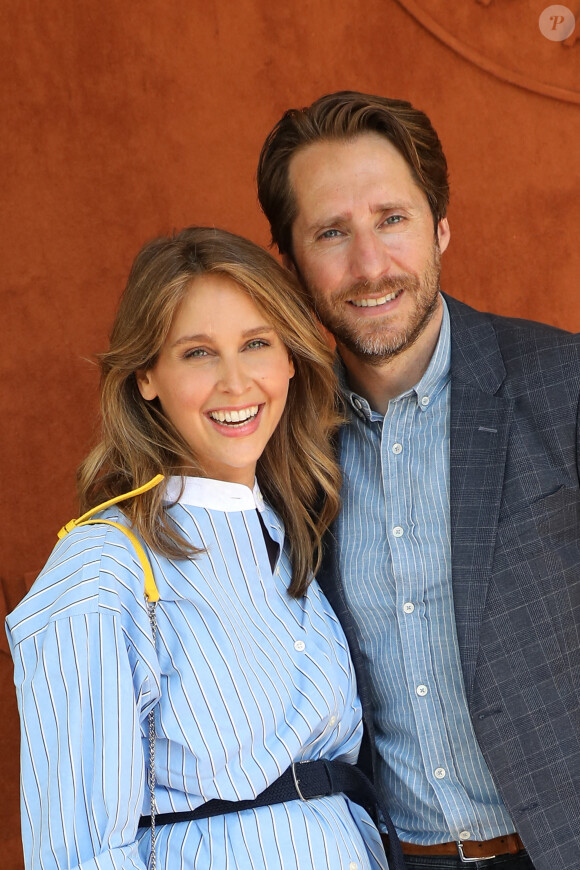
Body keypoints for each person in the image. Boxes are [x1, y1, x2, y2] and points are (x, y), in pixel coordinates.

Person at [6, 227, 403, 870]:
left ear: (291, 358)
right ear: (146, 376)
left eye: (255, 344)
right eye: (197, 353)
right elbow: (80, 854)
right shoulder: (100, 571)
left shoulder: (294, 532)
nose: (236, 381)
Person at [256, 91, 580, 870]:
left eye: (392, 219)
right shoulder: (279, 440)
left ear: (439, 227)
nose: (370, 266)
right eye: (333, 232)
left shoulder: (563, 385)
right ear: (291, 260)